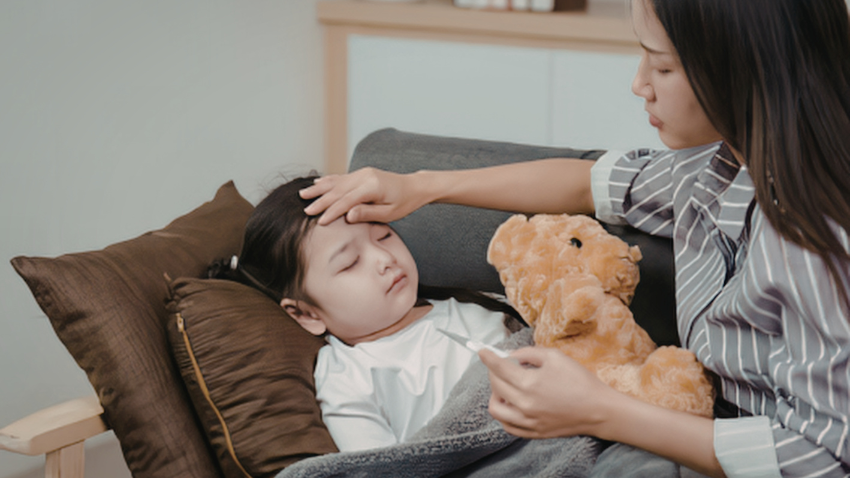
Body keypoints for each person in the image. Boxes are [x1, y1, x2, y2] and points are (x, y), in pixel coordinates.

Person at [298, 0, 850, 476]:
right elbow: (591, 182)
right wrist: (421, 187)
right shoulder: (715, 167)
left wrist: (596, 409)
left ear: (740, 73)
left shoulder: (810, 238)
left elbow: (822, 459)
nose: (639, 84)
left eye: (660, 65)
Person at [209, 176, 521, 452]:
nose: (384, 258)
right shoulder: (349, 379)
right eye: (350, 263)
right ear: (306, 313)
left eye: (383, 235)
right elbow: (379, 466)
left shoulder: (472, 304)